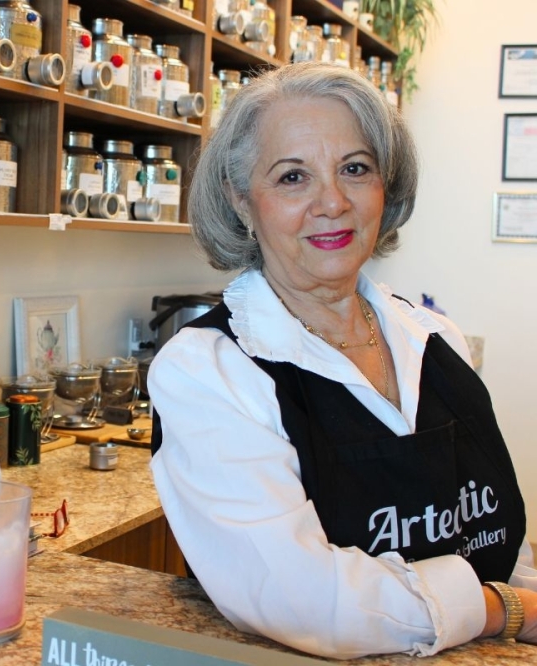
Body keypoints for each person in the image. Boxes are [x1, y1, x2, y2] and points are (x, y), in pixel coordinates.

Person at [148, 61, 537, 659]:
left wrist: (522, 604)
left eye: (355, 169)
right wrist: (498, 610)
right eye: (292, 177)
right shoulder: (209, 369)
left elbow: (505, 542)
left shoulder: (437, 339)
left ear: (387, 186)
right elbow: (300, 599)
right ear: (241, 201)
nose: (332, 202)